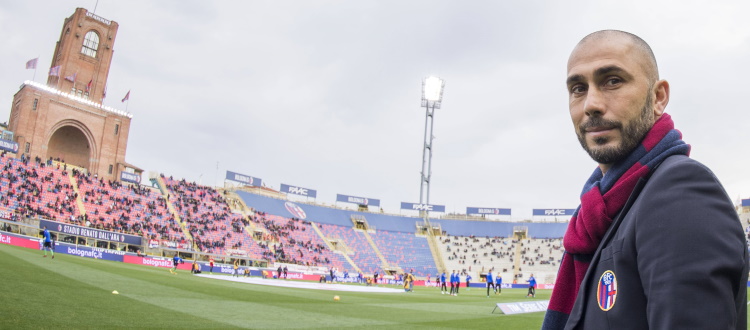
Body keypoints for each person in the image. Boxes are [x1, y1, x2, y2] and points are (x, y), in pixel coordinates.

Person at [542, 30, 748, 330]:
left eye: (612, 81)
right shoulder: (601, 211)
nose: (591, 104)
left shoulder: (680, 189)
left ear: (658, 97)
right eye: (578, 88)